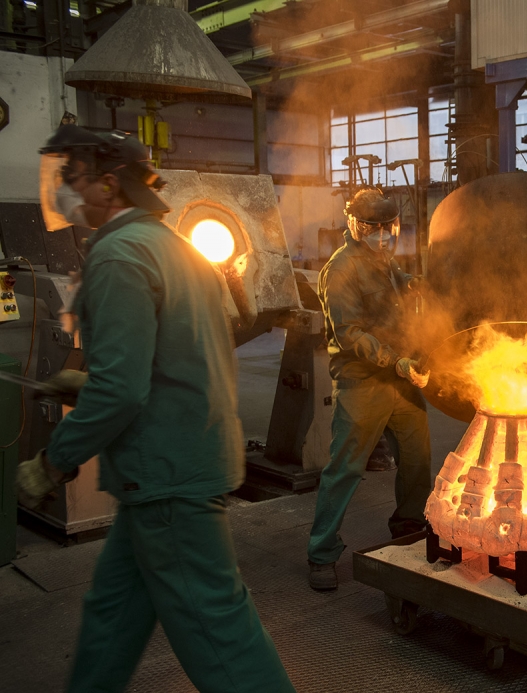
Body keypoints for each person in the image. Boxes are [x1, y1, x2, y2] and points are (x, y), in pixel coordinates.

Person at [16, 125, 295, 693]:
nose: (65, 189)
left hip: (167, 477)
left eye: (73, 177)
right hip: (174, 466)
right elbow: (177, 356)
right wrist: (88, 380)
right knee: (111, 620)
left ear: (109, 185)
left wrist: (53, 462)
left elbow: (123, 391)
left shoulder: (119, 255)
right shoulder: (174, 247)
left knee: (220, 638)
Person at [307, 187, 432, 591]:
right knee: (345, 468)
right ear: (354, 226)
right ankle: (321, 553)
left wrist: (413, 283)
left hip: (399, 376)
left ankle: (409, 527)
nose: (381, 235)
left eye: (387, 227)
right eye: (372, 228)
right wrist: (395, 361)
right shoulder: (341, 269)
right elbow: (349, 334)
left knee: (417, 456)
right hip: (362, 380)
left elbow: (394, 285)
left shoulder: (384, 261)